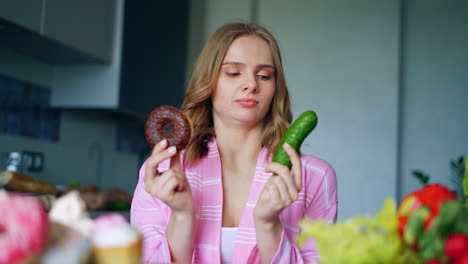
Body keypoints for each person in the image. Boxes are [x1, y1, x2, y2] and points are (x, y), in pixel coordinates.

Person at [130, 22, 337, 264]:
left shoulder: (314, 177)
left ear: (275, 89)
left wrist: (269, 226)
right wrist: (182, 216)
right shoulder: (161, 174)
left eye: (264, 75)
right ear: (208, 82)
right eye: (233, 73)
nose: (252, 84)